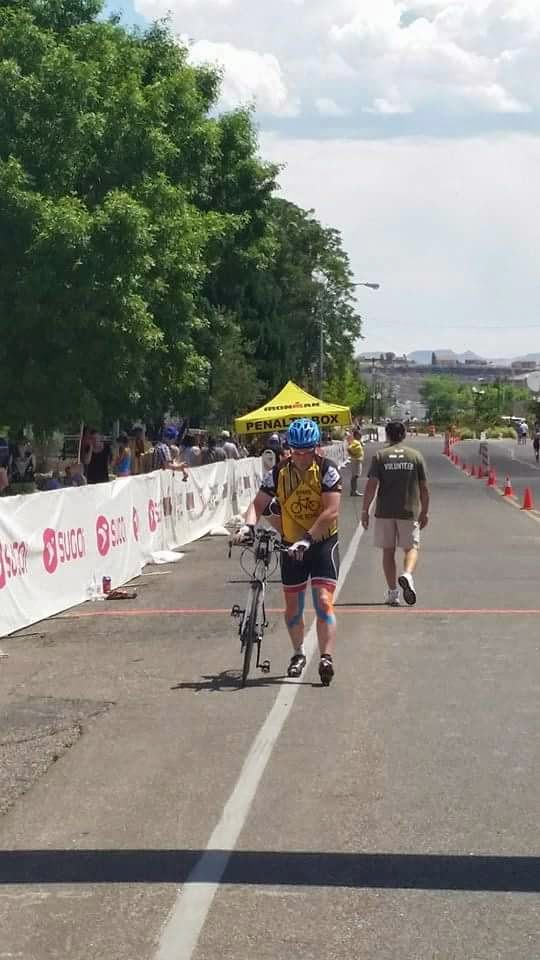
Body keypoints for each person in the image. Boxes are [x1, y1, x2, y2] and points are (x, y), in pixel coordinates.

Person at [234, 418, 342, 685]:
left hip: (322, 543)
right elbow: (257, 505)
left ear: (316, 448)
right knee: (293, 605)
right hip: (290, 544)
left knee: (323, 601)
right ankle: (298, 653)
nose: (302, 457)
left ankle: (326, 657)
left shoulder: (327, 470)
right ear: (289, 449)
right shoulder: (278, 473)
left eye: (307, 451)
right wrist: (248, 526)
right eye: (297, 451)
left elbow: (331, 511)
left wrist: (308, 538)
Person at [361, 420, 429, 607]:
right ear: (404, 434)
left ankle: (393, 593)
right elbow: (424, 488)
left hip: (385, 511)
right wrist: (425, 511)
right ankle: (407, 574)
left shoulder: (380, 456)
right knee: (411, 548)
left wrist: (365, 510)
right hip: (409, 510)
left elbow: (371, 486)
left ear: (387, 435)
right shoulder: (415, 456)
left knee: (388, 551)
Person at [347, 428, 364, 497]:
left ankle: (354, 491)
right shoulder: (355, 442)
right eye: (359, 435)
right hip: (356, 461)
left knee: (356, 476)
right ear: (356, 435)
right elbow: (349, 448)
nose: (361, 436)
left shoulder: (357, 442)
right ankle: (354, 491)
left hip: (357, 460)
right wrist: (353, 455)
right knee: (355, 476)